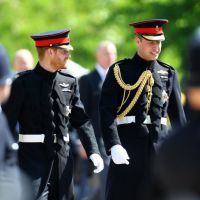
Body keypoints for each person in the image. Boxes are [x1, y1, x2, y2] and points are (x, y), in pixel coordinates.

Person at [2, 29, 104, 200]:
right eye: (64, 51)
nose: (68, 56)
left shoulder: (69, 82)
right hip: (31, 161)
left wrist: (93, 150)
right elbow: (7, 123)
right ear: (50, 51)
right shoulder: (22, 83)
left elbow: (82, 121)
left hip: (63, 160)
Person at [99, 19, 186, 200]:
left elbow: (178, 118)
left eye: (159, 42)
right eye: (151, 42)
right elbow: (106, 112)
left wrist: (182, 150)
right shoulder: (119, 71)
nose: (157, 47)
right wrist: (114, 144)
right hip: (128, 148)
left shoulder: (168, 73)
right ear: (138, 41)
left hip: (160, 149)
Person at [79, 40, 117, 200]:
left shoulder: (119, 80)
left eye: (113, 53)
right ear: (97, 55)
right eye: (107, 53)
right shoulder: (87, 81)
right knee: (101, 184)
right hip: (96, 140)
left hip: (118, 139)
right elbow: (80, 113)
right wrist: (81, 141)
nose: (111, 57)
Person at [0, 44, 33, 200]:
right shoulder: (9, 85)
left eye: (26, 61)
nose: (24, 65)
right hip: (12, 140)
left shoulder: (40, 84)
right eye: (20, 62)